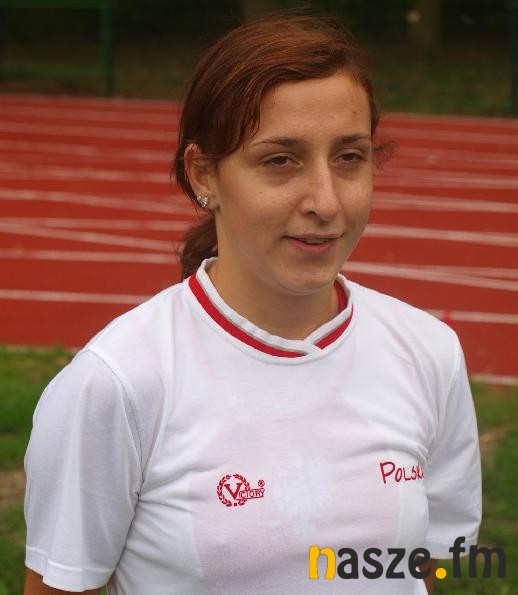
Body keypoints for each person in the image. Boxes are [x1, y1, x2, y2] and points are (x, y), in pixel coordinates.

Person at [23, 12, 481, 595]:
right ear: (203, 175)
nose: (325, 202)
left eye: (349, 157)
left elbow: (427, 568)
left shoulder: (428, 352)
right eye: (280, 160)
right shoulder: (117, 383)